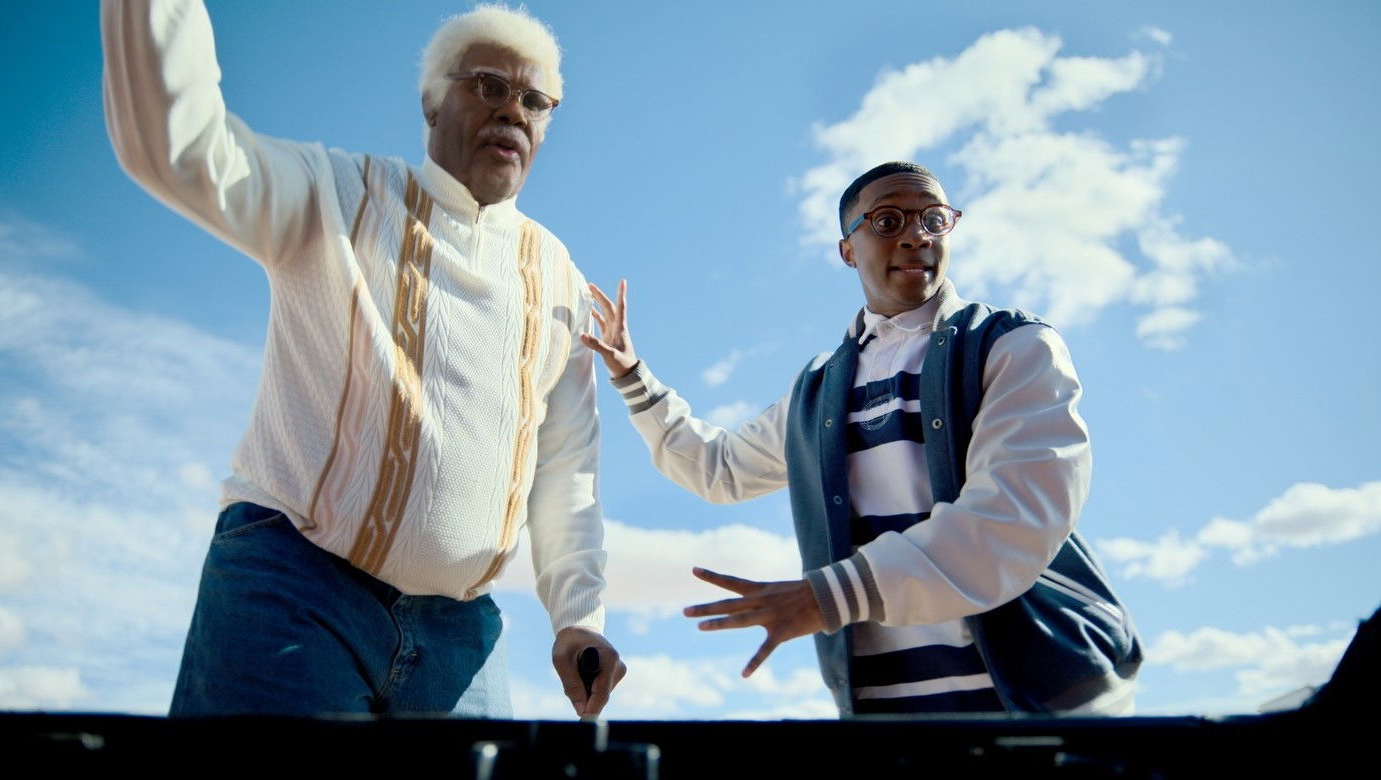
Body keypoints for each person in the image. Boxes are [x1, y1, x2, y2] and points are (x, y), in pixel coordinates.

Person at [102, 0, 625, 718]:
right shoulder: (334, 195)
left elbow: (566, 464)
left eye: (535, 101)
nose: (513, 111)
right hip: (292, 589)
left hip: (461, 638)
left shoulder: (560, 278)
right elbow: (182, 149)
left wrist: (579, 616)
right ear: (432, 100)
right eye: (488, 86)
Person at [582, 161, 1137, 716]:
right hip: (887, 713)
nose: (916, 235)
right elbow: (718, 468)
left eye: (933, 219)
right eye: (888, 221)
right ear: (848, 250)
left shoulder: (1013, 345)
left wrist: (827, 597)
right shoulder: (819, 391)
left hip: (1042, 701)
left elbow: (1013, 516)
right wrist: (632, 376)